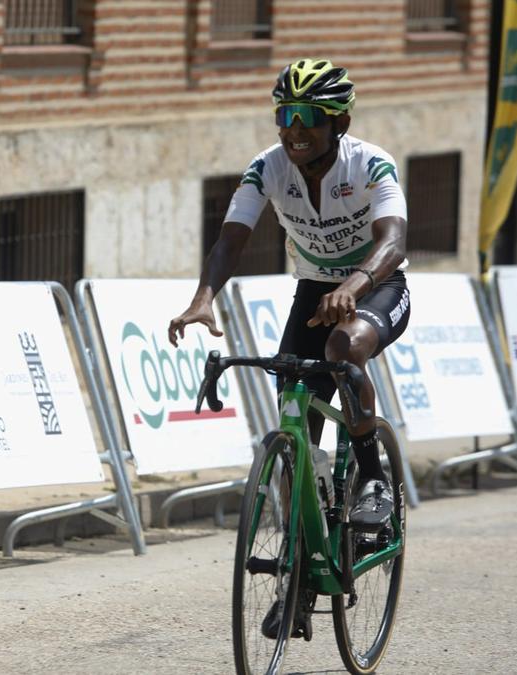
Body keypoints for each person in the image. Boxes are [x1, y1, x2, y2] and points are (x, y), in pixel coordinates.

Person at [168, 58, 410, 533]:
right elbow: (230, 240)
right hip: (315, 290)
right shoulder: (266, 168)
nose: (295, 130)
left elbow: (393, 242)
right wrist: (203, 297)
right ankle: (297, 566)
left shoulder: (370, 163)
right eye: (286, 116)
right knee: (294, 403)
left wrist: (352, 286)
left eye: (310, 117)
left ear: (340, 122)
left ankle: (375, 481)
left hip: (378, 285)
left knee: (344, 348)